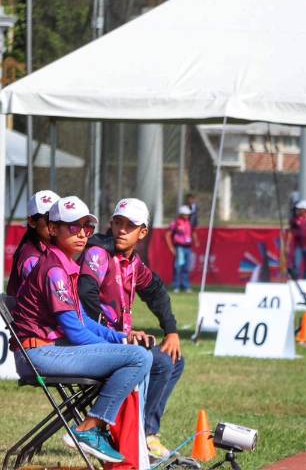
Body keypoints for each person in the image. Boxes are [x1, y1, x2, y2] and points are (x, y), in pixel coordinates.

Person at [11, 196, 153, 463]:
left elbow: (84, 322)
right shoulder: (54, 269)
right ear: (52, 229)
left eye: (87, 227)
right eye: (73, 227)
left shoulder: (63, 264)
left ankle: (105, 433)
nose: (82, 234)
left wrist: (120, 339)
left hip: (46, 351)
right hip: (38, 356)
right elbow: (76, 332)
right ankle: (89, 429)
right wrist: (122, 348)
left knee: (134, 354)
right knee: (140, 358)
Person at [79, 198, 184, 461]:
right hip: (97, 342)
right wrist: (119, 336)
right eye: (118, 223)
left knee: (174, 359)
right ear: (111, 224)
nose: (122, 230)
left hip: (118, 343)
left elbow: (157, 291)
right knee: (159, 362)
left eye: (130, 225)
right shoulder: (98, 254)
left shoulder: (133, 263)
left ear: (143, 232)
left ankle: (147, 433)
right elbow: (85, 295)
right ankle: (142, 436)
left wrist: (171, 330)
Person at [7, 190, 61, 296]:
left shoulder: (50, 250)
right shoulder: (33, 259)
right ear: (32, 221)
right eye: (49, 219)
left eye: (59, 219)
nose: (55, 225)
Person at [166, 205, 198, 293]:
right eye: (185, 214)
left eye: (188, 214)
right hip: (179, 247)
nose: (187, 215)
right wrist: (171, 247)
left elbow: (193, 232)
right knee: (178, 267)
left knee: (186, 268)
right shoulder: (175, 223)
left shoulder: (189, 223)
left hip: (188, 248)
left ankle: (186, 286)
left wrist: (196, 241)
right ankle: (176, 286)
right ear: (181, 214)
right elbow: (168, 234)